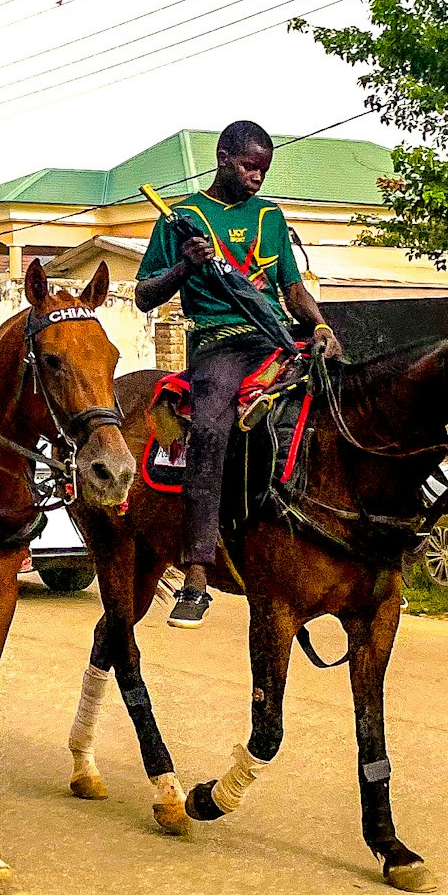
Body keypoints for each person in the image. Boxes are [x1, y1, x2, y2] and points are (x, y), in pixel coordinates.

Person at [134, 120, 338, 628]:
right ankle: (198, 573)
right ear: (223, 158)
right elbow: (143, 295)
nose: (256, 178)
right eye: (249, 166)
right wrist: (183, 267)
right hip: (219, 343)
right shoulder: (182, 217)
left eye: (263, 170)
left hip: (274, 336)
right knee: (209, 431)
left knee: (340, 398)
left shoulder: (270, 216)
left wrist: (321, 325)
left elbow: (291, 288)